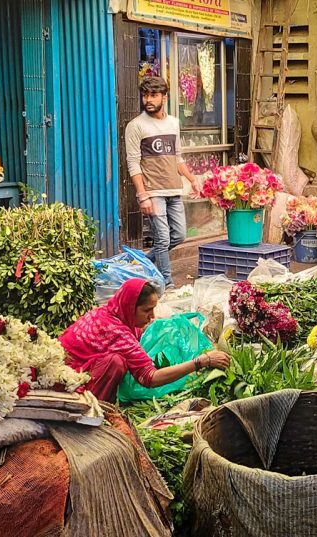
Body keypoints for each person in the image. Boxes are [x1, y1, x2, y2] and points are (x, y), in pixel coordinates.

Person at [60, 278, 230, 404]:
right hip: (66, 387)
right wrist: (201, 361)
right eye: (147, 310)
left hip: (67, 371)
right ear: (129, 306)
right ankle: (96, 408)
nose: (152, 316)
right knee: (116, 362)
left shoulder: (106, 312)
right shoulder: (117, 331)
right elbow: (150, 378)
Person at [126, 76, 200, 289]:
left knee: (180, 234)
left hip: (174, 189)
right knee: (163, 239)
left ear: (164, 97)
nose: (148, 99)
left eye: (153, 95)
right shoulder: (136, 125)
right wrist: (143, 195)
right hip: (153, 191)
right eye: (145, 95)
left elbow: (178, 157)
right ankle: (166, 283)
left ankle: (146, 262)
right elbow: (133, 163)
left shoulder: (174, 123)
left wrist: (192, 180)